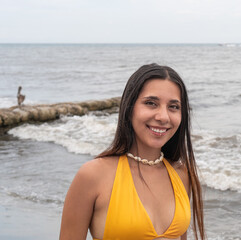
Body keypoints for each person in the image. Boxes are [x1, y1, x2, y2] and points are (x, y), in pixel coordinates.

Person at [60, 63, 205, 240]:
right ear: (129, 108)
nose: (163, 117)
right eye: (151, 103)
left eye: (173, 107)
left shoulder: (181, 175)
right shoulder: (93, 175)